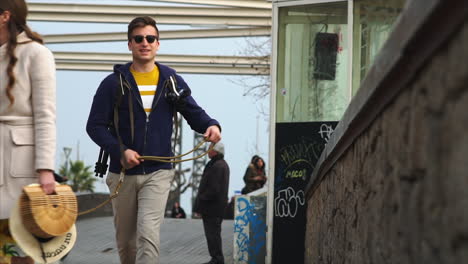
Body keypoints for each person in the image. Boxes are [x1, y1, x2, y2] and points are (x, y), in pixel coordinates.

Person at [86, 16, 221, 264]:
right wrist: (120, 151)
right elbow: (94, 126)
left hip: (158, 172)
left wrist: (211, 125)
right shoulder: (112, 83)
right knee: (127, 243)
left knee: (148, 235)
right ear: (129, 44)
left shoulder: (171, 81)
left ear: (158, 43)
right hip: (122, 174)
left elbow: (193, 112)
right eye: (138, 39)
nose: (144, 43)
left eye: (150, 38)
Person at [0, 1, 56, 263]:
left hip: (19, 163)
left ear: (5, 16)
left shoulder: (37, 54)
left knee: (20, 243)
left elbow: (45, 116)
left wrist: (45, 169)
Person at [194, 142, 230, 264]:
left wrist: (201, 200)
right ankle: (216, 258)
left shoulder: (217, 166)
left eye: (209, 148)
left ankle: (217, 259)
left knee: (213, 235)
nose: (207, 151)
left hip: (212, 208)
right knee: (213, 234)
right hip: (214, 208)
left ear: (216, 151)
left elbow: (213, 189)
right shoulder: (218, 165)